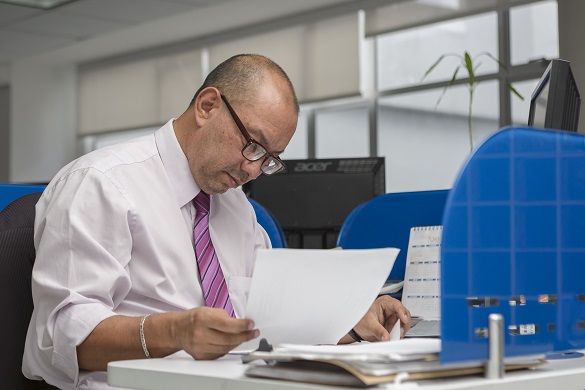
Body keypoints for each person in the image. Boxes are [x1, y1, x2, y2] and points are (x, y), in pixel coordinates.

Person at [23, 54, 411, 389]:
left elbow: (267, 325)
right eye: (253, 145)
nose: (252, 169)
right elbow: (58, 338)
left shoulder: (236, 208)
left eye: (269, 159)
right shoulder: (102, 184)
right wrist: (173, 333)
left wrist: (347, 320)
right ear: (207, 106)